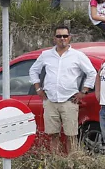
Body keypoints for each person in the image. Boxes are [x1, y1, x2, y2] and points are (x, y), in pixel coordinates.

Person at [29, 24, 97, 154]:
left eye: (65, 36)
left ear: (69, 37)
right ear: (54, 38)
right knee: (53, 135)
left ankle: (72, 163)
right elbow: (33, 70)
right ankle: (56, 162)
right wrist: (38, 89)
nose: (62, 39)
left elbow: (91, 73)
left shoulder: (78, 55)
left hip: (69, 101)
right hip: (50, 101)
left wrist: (84, 92)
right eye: (59, 36)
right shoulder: (46, 55)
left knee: (71, 136)